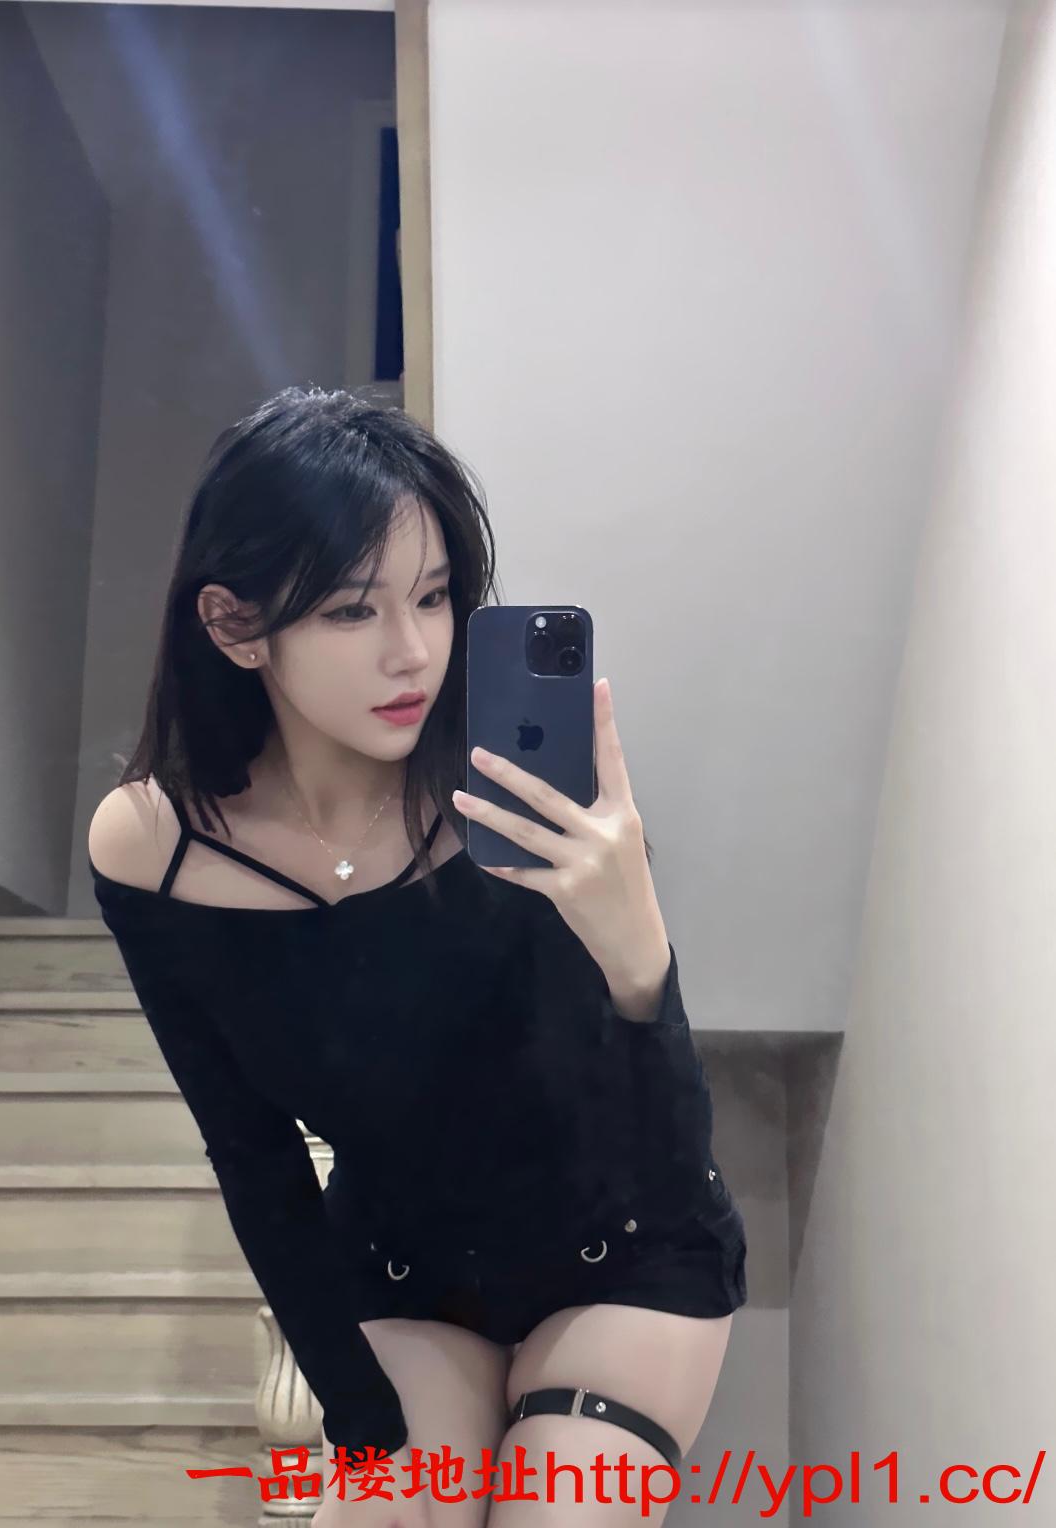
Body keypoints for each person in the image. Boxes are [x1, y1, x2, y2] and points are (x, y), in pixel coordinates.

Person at [88, 385, 746, 1526]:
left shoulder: (512, 792)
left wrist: (641, 955)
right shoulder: (156, 849)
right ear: (236, 626)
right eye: (353, 610)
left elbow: (659, 1135)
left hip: (628, 1248)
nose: (413, 653)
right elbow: (253, 1155)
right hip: (403, 1266)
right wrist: (360, 1425)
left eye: (435, 597)